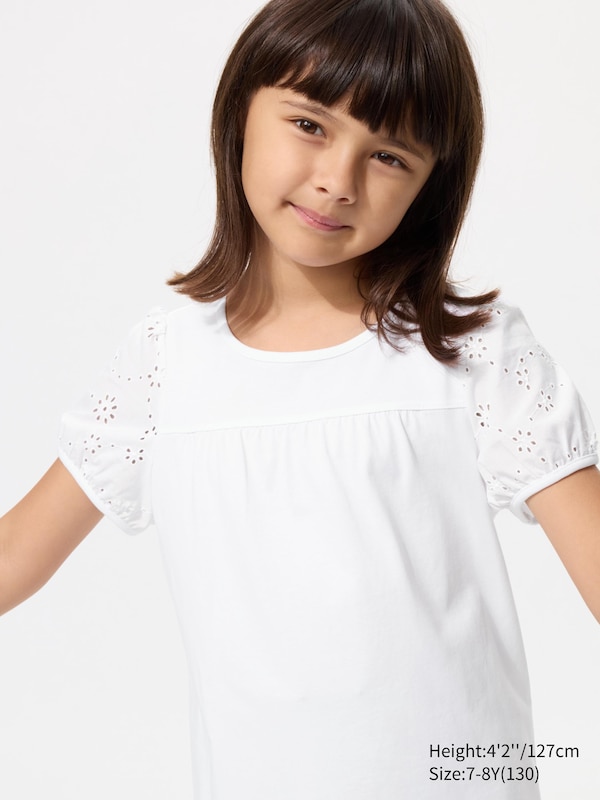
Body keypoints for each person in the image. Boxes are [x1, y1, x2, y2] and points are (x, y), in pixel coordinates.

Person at [1, 0, 598, 798]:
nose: (337, 181)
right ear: (239, 112)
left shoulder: (470, 355)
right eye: (310, 125)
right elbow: (15, 553)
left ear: (431, 185)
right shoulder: (165, 366)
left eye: (388, 156)